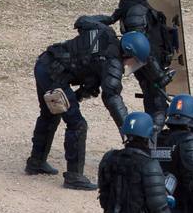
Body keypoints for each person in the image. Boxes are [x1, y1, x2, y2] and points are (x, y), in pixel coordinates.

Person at [26, 19, 149, 190]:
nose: (129, 65)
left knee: (50, 115)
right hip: (55, 76)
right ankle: (74, 176)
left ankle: (36, 162)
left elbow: (81, 21)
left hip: (44, 64)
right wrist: (129, 131)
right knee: (77, 124)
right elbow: (112, 98)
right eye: (132, 61)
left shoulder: (105, 32)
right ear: (127, 53)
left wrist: (107, 19)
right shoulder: (112, 63)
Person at [109, 0, 181, 127]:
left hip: (151, 67)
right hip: (150, 69)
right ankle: (150, 146)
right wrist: (158, 76)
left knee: (157, 107)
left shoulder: (135, 5)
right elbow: (139, 47)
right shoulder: (136, 10)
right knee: (158, 110)